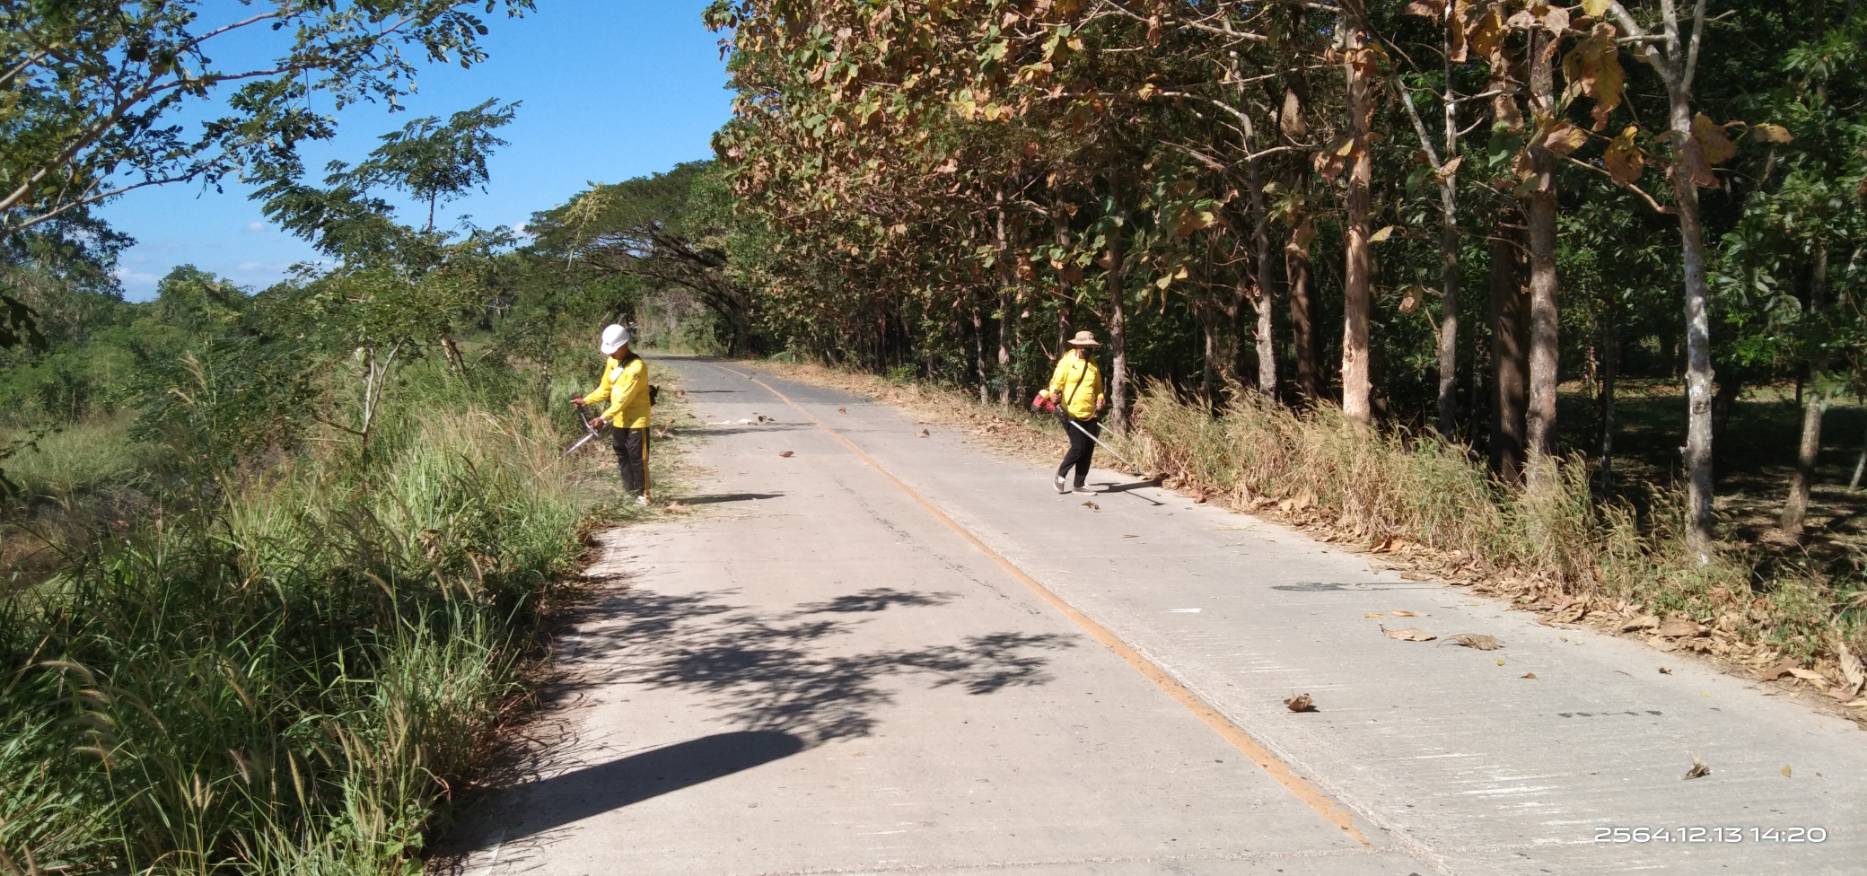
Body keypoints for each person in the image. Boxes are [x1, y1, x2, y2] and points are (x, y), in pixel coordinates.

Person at [571, 324, 652, 505]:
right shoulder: (612, 361)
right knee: (622, 453)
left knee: (638, 457)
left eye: (614, 350)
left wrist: (602, 418)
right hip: (619, 418)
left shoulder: (637, 368)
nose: (611, 354)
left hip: (637, 419)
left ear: (624, 345)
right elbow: (605, 389)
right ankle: (630, 491)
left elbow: (624, 399)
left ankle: (643, 495)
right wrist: (586, 400)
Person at [1036, 330, 1107, 494]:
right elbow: (1056, 383)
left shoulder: (1093, 364)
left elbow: (1098, 387)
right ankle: (1061, 475)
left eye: (1091, 347)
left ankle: (1079, 483)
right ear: (1078, 346)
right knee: (1078, 447)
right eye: (1086, 347)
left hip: (1090, 413)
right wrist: (1054, 394)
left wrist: (1100, 398)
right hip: (1070, 412)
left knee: (1088, 448)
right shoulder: (1067, 362)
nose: (1089, 350)